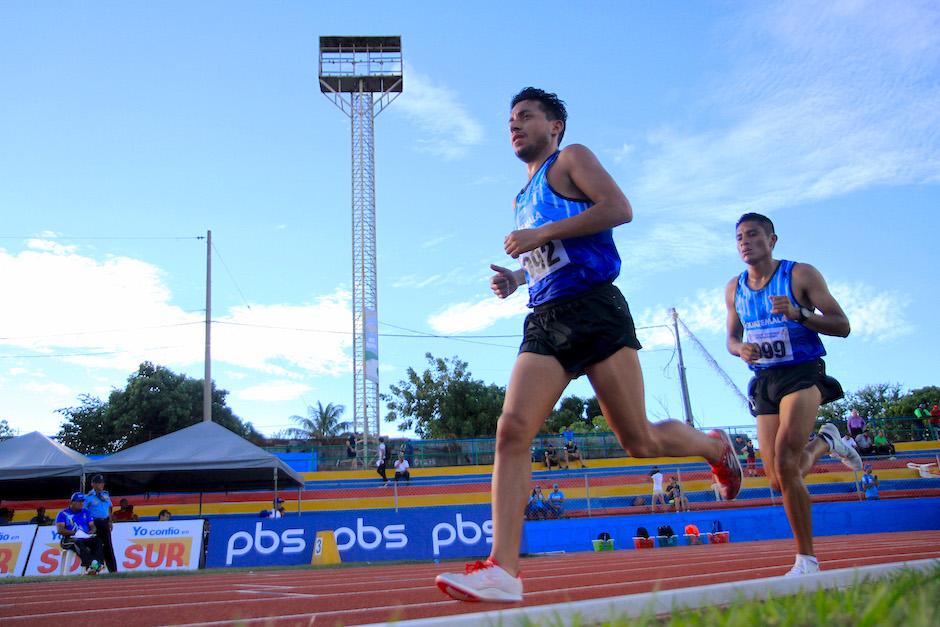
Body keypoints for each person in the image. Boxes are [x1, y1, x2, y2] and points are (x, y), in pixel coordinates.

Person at [435, 88, 742, 603]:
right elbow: (549, 253)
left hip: (596, 307)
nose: (514, 126)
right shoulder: (520, 195)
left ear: (555, 126)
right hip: (546, 318)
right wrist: (517, 276)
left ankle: (715, 447)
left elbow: (618, 209)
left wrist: (542, 234)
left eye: (526, 117)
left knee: (638, 441)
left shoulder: (572, 158)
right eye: (510, 120)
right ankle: (503, 570)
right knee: (511, 429)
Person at [725, 212, 862, 577]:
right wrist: (741, 351)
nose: (745, 242)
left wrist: (800, 314)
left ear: (772, 241)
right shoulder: (733, 288)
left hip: (802, 373)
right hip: (765, 380)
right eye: (739, 237)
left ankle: (807, 560)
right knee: (777, 478)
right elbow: (731, 339)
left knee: (786, 462)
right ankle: (825, 442)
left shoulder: (799, 275)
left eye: (753, 235)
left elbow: (842, 325)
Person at [56, 492, 103, 575]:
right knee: (77, 542)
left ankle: (96, 565)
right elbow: (60, 530)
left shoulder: (86, 512)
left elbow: (92, 526)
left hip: (85, 537)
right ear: (72, 502)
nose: (81, 503)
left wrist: (92, 531)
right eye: (79, 501)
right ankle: (93, 564)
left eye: (82, 501)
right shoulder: (63, 514)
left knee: (97, 541)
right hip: (69, 538)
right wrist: (75, 532)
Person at [84, 474, 116, 574]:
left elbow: (109, 508)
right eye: (98, 483)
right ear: (93, 484)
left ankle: (113, 570)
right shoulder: (88, 497)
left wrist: (110, 521)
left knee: (108, 546)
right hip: (94, 523)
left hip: (105, 522)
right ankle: (95, 568)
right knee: (97, 546)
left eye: (102, 483)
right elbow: (84, 511)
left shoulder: (105, 495)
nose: (101, 485)